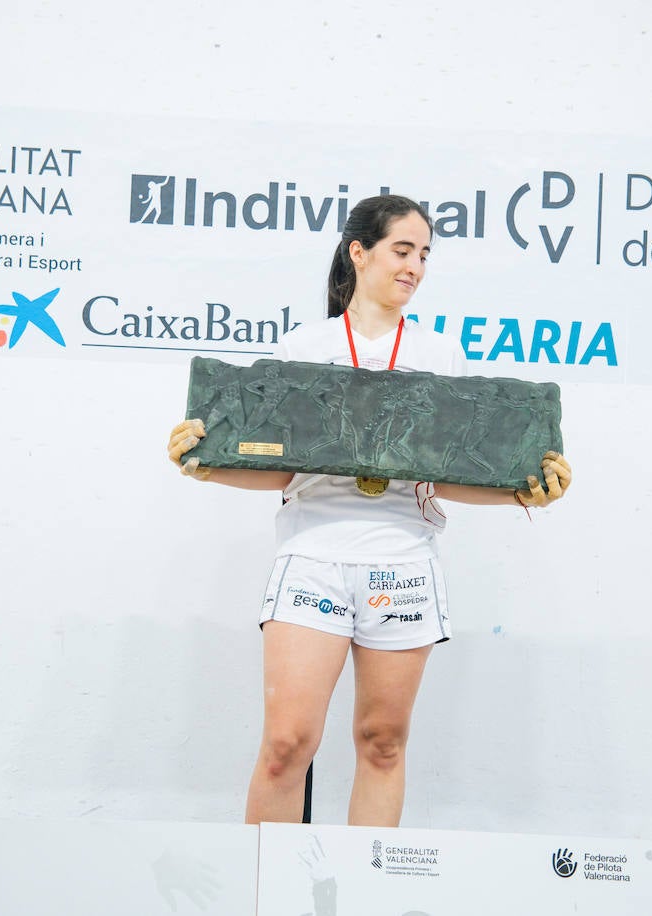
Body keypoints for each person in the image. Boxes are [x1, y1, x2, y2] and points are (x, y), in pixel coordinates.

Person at [166, 194, 572, 827]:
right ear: (360, 252)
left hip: (403, 564)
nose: (414, 267)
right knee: (285, 747)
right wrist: (206, 463)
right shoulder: (304, 346)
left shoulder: (442, 358)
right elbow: (282, 467)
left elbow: (447, 479)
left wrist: (526, 489)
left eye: (424, 255)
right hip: (313, 558)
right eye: (401, 251)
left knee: (382, 744)